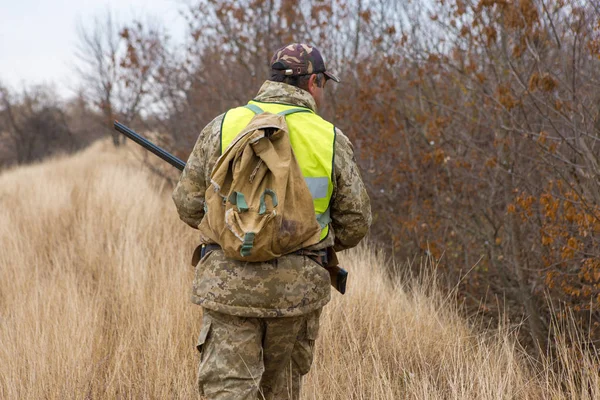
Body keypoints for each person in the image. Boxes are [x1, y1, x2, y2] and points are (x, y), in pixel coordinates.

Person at [172, 43, 371, 400]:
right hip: (296, 293)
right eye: (323, 83)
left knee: (228, 392)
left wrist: (234, 226)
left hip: (228, 289)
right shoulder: (329, 138)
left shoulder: (223, 126)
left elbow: (187, 205)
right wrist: (303, 237)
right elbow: (356, 221)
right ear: (313, 83)